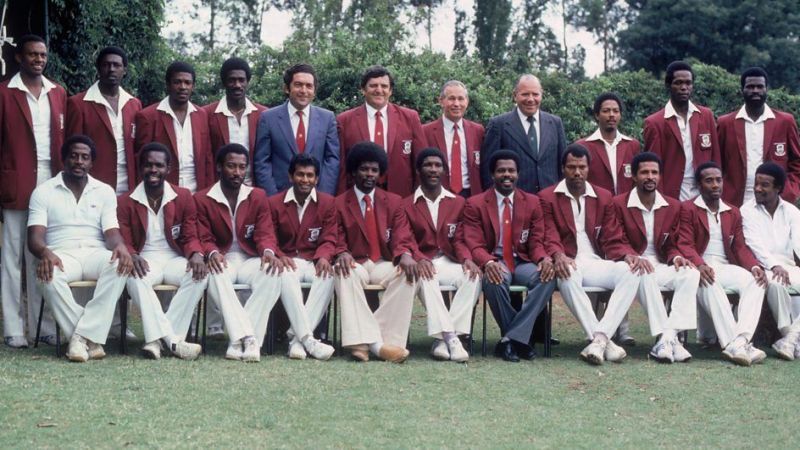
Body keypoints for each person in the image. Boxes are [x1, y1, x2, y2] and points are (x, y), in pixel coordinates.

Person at [195, 143, 332, 361]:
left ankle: (290, 338)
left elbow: (264, 232)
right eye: (231, 166)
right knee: (216, 273)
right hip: (222, 258)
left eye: (242, 167)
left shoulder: (257, 196)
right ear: (220, 167)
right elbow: (202, 235)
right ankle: (248, 339)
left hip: (251, 257)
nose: (237, 172)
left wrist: (268, 252)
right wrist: (211, 253)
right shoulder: (202, 198)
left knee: (275, 272)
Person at [27, 135, 134, 362]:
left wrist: (122, 248)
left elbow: (112, 233)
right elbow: (34, 238)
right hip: (61, 253)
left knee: (120, 266)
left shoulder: (104, 191)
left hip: (94, 251)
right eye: (74, 156)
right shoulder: (44, 191)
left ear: (91, 163)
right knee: (48, 275)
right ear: (64, 159)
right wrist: (46, 253)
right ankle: (90, 338)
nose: (79, 161)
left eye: (85, 157)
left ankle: (79, 338)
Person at [538, 144, 639, 365]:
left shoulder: (603, 196)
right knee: (567, 274)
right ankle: (605, 342)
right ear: (563, 168)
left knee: (630, 272)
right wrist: (558, 255)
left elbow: (613, 235)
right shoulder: (547, 197)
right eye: (572, 167)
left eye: (581, 167)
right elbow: (548, 234)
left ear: (588, 168)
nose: (577, 172)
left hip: (595, 262)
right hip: (569, 261)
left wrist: (626, 254)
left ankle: (599, 340)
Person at [0, 34, 66, 348]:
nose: (38, 60)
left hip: (51, 185)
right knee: (13, 257)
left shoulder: (58, 93)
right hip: (16, 184)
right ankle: (14, 328)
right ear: (19, 58)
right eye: (32, 55)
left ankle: (44, 326)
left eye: (42, 55)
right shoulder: (4, 93)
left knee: (42, 254)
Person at [462, 150, 557, 362]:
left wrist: (543, 259)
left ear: (518, 174)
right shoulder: (475, 204)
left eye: (511, 171)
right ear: (492, 175)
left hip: (522, 261)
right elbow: (474, 242)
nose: (507, 175)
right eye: (501, 171)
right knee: (492, 279)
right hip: (495, 261)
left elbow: (536, 241)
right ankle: (520, 340)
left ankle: (510, 340)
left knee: (548, 276)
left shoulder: (532, 202)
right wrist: (487, 261)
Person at [605, 152, 700, 363]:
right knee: (643, 270)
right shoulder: (618, 204)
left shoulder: (673, 206)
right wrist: (629, 255)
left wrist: (676, 258)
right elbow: (613, 240)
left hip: (661, 266)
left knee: (690, 274)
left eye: (654, 172)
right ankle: (671, 341)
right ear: (634, 176)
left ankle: (667, 338)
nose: (650, 177)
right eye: (645, 172)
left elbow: (674, 244)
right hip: (631, 268)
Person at [117, 142, 206, 360]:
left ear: (169, 169)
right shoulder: (125, 201)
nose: (153, 170)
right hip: (145, 259)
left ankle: (157, 340)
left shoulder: (183, 196)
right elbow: (124, 239)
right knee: (134, 277)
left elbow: (190, 234)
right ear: (140, 168)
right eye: (148, 165)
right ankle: (174, 342)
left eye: (159, 165)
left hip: (174, 256)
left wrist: (196, 253)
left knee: (200, 275)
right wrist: (133, 255)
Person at [333, 141, 419, 363]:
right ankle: (379, 346)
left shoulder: (393, 201)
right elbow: (336, 235)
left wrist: (405, 255)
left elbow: (402, 234)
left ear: (380, 173)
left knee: (407, 273)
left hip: (383, 262)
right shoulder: (339, 203)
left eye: (374, 170)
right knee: (344, 271)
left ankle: (374, 342)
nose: (369, 174)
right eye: (364, 169)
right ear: (353, 172)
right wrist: (342, 252)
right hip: (357, 262)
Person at [677, 161, 769, 366]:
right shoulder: (688, 208)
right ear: (699, 185)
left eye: (718, 180)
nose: (715, 185)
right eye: (709, 181)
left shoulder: (733, 212)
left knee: (756, 281)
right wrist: (699, 264)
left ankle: (742, 339)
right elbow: (684, 243)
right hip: (699, 265)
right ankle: (734, 345)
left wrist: (754, 266)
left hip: (726, 266)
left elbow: (740, 247)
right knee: (708, 281)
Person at [404, 148, 480, 362]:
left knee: (473, 276)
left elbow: (460, 238)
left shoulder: (458, 202)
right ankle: (452, 339)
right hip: (425, 260)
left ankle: (442, 340)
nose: (433, 169)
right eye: (428, 165)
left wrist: (467, 259)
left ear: (445, 171)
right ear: (419, 170)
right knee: (425, 274)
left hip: (449, 260)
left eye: (438, 165)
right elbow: (406, 239)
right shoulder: (406, 204)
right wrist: (420, 258)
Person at [267, 153, 338, 360]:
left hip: (313, 260)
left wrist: (324, 256)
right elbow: (269, 237)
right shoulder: (274, 203)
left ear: (316, 179)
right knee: (285, 273)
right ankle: (307, 339)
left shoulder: (327, 203)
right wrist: (279, 255)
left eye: (310, 175)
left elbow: (330, 237)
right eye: (300, 174)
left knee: (328, 275)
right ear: (291, 176)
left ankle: (296, 339)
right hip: (288, 260)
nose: (305, 180)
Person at [336, 65, 427, 197]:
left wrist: (419, 197)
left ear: (390, 91)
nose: (379, 90)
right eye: (373, 86)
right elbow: (342, 167)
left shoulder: (410, 118)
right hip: (358, 197)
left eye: (384, 86)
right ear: (363, 89)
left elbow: (421, 162)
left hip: (400, 196)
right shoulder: (344, 120)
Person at [741, 163, 800, 362]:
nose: (758, 189)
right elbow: (753, 244)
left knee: (781, 279)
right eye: (756, 184)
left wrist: (784, 266)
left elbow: (799, 243)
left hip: (789, 267)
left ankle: (790, 338)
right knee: (775, 283)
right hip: (762, 267)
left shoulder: (791, 211)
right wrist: (774, 265)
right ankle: (788, 336)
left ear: (778, 189)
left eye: (764, 185)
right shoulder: (746, 211)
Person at [718, 67, 800, 206]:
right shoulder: (726, 123)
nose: (755, 90)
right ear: (742, 90)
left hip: (774, 202)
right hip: (735, 202)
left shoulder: (785, 122)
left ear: (766, 89)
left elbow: (797, 161)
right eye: (750, 86)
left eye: (760, 86)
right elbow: (717, 162)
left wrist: (790, 190)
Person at [66, 45, 142, 195]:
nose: (111, 69)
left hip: (128, 187)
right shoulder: (79, 103)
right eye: (106, 65)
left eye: (116, 65)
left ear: (124, 70)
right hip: (92, 187)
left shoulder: (134, 104)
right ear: (98, 68)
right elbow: (72, 150)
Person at [254, 63, 339, 195]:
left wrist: (323, 198)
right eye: (298, 85)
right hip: (279, 198)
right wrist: (272, 198)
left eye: (309, 86)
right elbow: (262, 162)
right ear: (287, 88)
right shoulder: (268, 118)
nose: (304, 90)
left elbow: (332, 160)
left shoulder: (327, 118)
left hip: (316, 199)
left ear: (314, 91)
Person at [643, 60, 720, 200]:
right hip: (673, 192)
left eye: (688, 83)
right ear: (668, 85)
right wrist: (660, 201)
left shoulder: (706, 115)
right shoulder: (655, 123)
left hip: (704, 190)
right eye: (678, 83)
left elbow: (715, 157)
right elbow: (653, 167)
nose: (684, 87)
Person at [481, 74, 567, 194]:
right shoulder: (499, 124)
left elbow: (563, 164)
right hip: (514, 200)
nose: (531, 99)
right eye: (525, 94)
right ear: (515, 95)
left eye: (535, 94)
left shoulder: (555, 123)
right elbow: (487, 169)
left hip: (550, 199)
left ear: (541, 95)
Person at [134, 61, 212, 192]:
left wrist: (208, 192)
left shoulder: (201, 115)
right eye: (177, 82)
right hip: (162, 191)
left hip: (196, 191)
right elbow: (140, 160)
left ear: (193, 86)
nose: (183, 87)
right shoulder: (148, 116)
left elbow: (208, 158)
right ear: (168, 85)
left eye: (187, 83)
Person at [204, 57, 267, 186]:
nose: (237, 85)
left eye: (241, 80)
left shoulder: (263, 114)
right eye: (232, 80)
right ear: (224, 82)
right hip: (220, 189)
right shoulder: (207, 114)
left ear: (247, 82)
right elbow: (205, 156)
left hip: (254, 188)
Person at [421, 80, 484, 197]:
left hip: (471, 196)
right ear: (441, 101)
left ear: (467, 102)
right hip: (439, 195)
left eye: (461, 99)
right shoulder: (425, 131)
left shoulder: (478, 131)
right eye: (451, 98)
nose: (456, 104)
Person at [575, 92, 640, 195]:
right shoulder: (582, 146)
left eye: (616, 111)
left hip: (625, 207)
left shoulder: (632, 145)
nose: (611, 115)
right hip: (596, 207)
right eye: (606, 111)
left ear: (620, 115)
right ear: (597, 115)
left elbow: (638, 180)